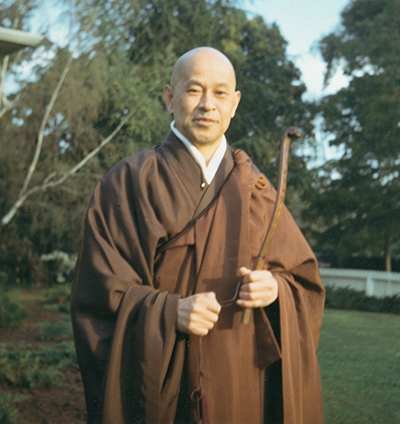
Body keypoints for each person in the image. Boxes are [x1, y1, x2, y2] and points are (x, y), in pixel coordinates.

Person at [71, 47, 325, 424]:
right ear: (170, 99)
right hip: (165, 386)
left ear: (234, 103)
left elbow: (303, 283)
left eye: (220, 93)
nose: (208, 104)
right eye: (194, 91)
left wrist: (275, 290)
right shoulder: (128, 183)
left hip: (241, 385)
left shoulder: (255, 188)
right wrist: (170, 312)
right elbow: (99, 297)